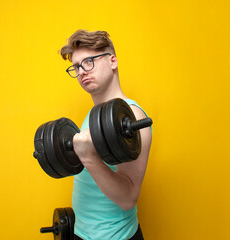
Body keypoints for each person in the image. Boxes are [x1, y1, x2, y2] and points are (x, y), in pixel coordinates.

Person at [59, 30, 152, 240]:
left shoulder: (132, 117)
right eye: (76, 66)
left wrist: (88, 157)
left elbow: (128, 198)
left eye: (89, 61)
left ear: (112, 61)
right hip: (81, 233)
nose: (82, 71)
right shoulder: (94, 115)